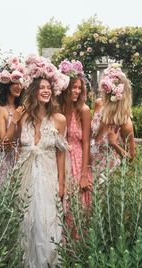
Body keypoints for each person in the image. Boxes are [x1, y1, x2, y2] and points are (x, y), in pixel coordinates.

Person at [14, 55, 69, 267]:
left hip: (48, 176)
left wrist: (61, 183)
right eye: (41, 87)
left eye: (48, 87)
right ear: (34, 91)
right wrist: (15, 122)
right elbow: (14, 144)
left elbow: (61, 152)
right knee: (28, 220)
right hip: (26, 176)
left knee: (47, 222)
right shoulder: (25, 117)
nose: (45, 91)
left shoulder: (59, 119)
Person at [91, 63, 136, 183]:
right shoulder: (98, 104)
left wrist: (114, 144)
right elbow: (93, 137)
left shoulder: (125, 122)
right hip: (89, 164)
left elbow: (131, 157)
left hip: (108, 173)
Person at [58, 59, 92, 209]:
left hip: (77, 163)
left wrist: (84, 174)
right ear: (65, 88)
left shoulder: (83, 110)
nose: (77, 91)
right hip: (59, 161)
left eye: (79, 88)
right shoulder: (57, 110)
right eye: (73, 87)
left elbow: (86, 142)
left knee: (77, 208)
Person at [0, 56, 25, 187]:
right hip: (8, 161)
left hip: (24, 158)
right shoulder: (0, 110)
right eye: (14, 83)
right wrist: (14, 121)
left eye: (20, 83)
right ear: (6, 85)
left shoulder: (22, 107)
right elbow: (4, 143)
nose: (18, 86)